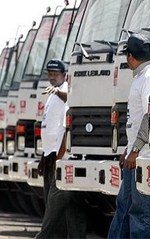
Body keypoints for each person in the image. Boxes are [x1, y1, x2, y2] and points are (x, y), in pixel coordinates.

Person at [108, 34, 150, 239]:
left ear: (130, 56)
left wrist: (135, 151)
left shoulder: (146, 79)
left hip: (142, 157)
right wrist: (128, 149)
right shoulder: (140, 77)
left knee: (140, 213)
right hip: (133, 155)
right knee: (124, 207)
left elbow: (149, 116)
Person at [36, 59, 87, 239]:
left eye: (55, 74)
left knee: (55, 203)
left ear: (64, 75)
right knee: (68, 205)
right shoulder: (52, 95)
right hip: (50, 155)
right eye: (49, 74)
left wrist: (60, 159)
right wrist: (44, 158)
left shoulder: (64, 91)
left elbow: (66, 128)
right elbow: (48, 129)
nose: (52, 77)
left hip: (62, 156)